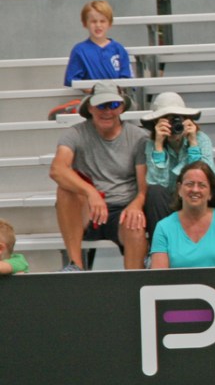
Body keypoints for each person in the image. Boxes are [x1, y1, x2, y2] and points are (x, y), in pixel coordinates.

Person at [49, 80, 147, 271]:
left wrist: (136, 204)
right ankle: (75, 266)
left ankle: (135, 286)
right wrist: (91, 192)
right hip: (88, 209)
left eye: (113, 105)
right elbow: (57, 169)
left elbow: (143, 187)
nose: (107, 111)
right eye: (101, 105)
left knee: (135, 226)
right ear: (90, 107)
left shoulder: (138, 137)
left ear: (121, 107)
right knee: (65, 191)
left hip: (121, 209)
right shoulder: (75, 133)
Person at [141, 92, 215, 242]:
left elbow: (207, 181)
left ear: (186, 120)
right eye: (167, 120)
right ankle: (159, 248)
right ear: (157, 123)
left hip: (199, 199)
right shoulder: (152, 145)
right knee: (154, 192)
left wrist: (193, 144)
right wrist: (159, 147)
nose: (174, 125)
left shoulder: (201, 139)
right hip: (169, 203)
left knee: (198, 189)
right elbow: (158, 184)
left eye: (177, 119)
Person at [149, 162, 215, 269]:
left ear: (210, 193)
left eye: (202, 185)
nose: (195, 190)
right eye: (189, 184)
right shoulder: (163, 227)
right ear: (179, 189)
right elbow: (159, 278)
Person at [64, 0, 132, 87]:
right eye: (93, 21)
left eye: (102, 21)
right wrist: (92, 89)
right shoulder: (79, 51)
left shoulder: (119, 49)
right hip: (92, 98)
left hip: (116, 97)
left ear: (110, 23)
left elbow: (126, 78)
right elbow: (72, 79)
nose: (98, 25)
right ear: (85, 23)